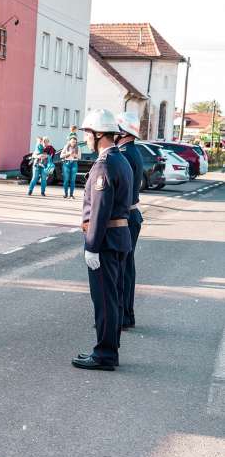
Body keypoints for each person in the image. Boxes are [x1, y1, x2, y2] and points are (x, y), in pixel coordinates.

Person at [72, 109, 133, 371]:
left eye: (88, 133)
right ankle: (110, 349)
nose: (85, 137)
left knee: (105, 300)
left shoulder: (105, 164)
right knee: (114, 297)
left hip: (106, 240)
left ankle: (105, 354)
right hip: (118, 237)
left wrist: (92, 246)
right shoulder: (120, 160)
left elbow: (99, 208)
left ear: (98, 135)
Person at [116, 111, 144, 330]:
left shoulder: (124, 154)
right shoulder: (133, 151)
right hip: (132, 214)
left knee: (121, 268)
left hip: (126, 216)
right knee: (127, 267)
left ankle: (123, 316)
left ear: (123, 131)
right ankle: (127, 314)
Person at [60, 135, 80, 199]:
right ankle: (65, 194)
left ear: (76, 142)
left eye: (74, 142)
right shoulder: (66, 147)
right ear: (69, 141)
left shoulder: (78, 147)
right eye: (72, 142)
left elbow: (79, 157)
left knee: (72, 180)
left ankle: (71, 194)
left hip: (74, 163)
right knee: (66, 180)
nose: (73, 143)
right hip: (66, 163)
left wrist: (74, 155)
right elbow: (61, 156)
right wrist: (68, 153)